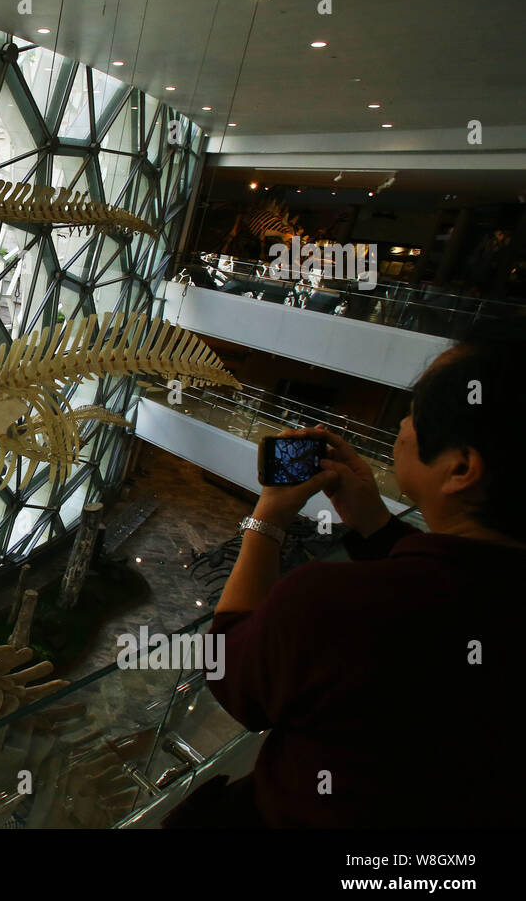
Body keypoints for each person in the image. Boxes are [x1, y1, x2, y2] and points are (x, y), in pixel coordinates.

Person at [168, 319, 523, 827]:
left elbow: (229, 667)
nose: (399, 427)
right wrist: (373, 523)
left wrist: (266, 518)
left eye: (414, 414)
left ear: (461, 469)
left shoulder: (330, 602)